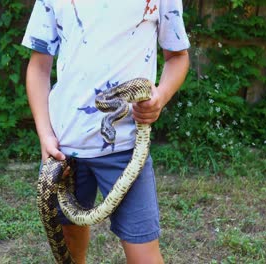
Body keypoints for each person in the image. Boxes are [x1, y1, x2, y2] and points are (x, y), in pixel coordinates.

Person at [22, 0, 190, 263]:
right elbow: (38, 66)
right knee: (69, 242)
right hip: (64, 148)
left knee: (143, 253)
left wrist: (161, 95)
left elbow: (178, 57)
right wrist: (45, 135)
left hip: (126, 148)